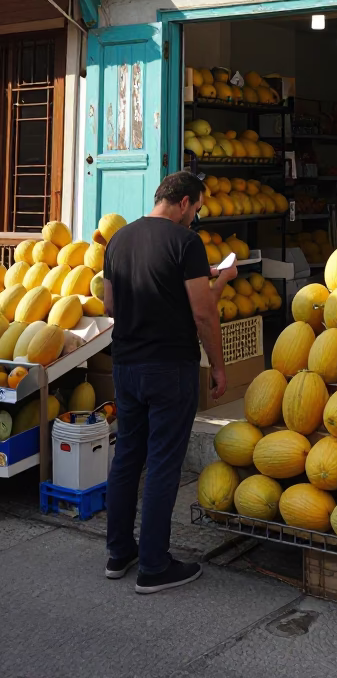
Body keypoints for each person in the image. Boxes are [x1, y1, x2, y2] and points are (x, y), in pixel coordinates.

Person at [103, 170, 236, 594]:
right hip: (169, 368)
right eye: (196, 209)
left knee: (127, 457)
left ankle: (119, 552)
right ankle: (155, 566)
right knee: (163, 462)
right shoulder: (185, 243)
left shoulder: (119, 240)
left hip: (125, 366)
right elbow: (203, 314)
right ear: (183, 202)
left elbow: (110, 304)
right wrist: (217, 365)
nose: (195, 218)